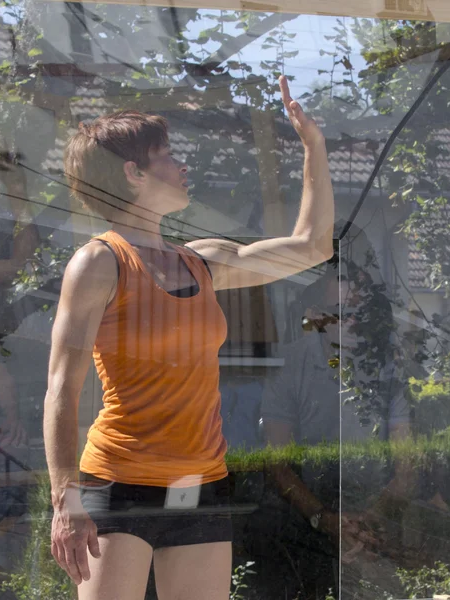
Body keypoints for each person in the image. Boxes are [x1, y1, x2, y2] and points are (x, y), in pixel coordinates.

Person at [43, 75, 335, 600]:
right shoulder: (99, 262)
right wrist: (65, 500)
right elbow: (62, 389)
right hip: (120, 482)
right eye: (168, 156)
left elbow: (311, 246)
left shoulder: (200, 261)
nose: (183, 166)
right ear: (133, 173)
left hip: (201, 483)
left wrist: (313, 145)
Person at [259, 239, 413, 599]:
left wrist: (369, 520)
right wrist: (325, 520)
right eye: (341, 313)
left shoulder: (386, 366)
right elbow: (277, 466)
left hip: (375, 509)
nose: (353, 322)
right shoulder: (291, 367)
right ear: (315, 318)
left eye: (359, 312)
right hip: (306, 513)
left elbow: (407, 466)